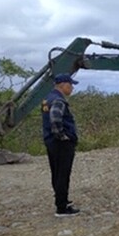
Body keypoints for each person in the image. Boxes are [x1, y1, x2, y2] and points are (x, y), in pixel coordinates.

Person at [42, 73, 81, 217]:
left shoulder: (47, 99)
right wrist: (63, 137)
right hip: (60, 144)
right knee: (63, 174)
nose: (72, 89)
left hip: (51, 142)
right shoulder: (58, 100)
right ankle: (62, 208)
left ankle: (61, 199)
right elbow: (55, 119)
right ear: (63, 85)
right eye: (71, 85)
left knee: (57, 172)